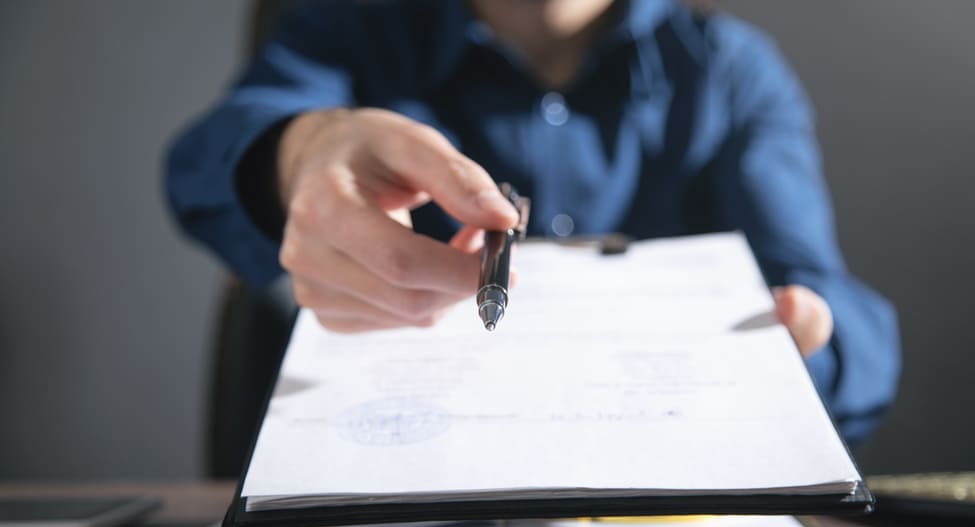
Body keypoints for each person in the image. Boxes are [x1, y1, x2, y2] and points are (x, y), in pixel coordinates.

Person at [165, 0, 900, 444]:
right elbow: (199, 164)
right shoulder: (349, 33)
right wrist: (299, 154)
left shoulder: (729, 72)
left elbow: (839, 319)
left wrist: (806, 348)